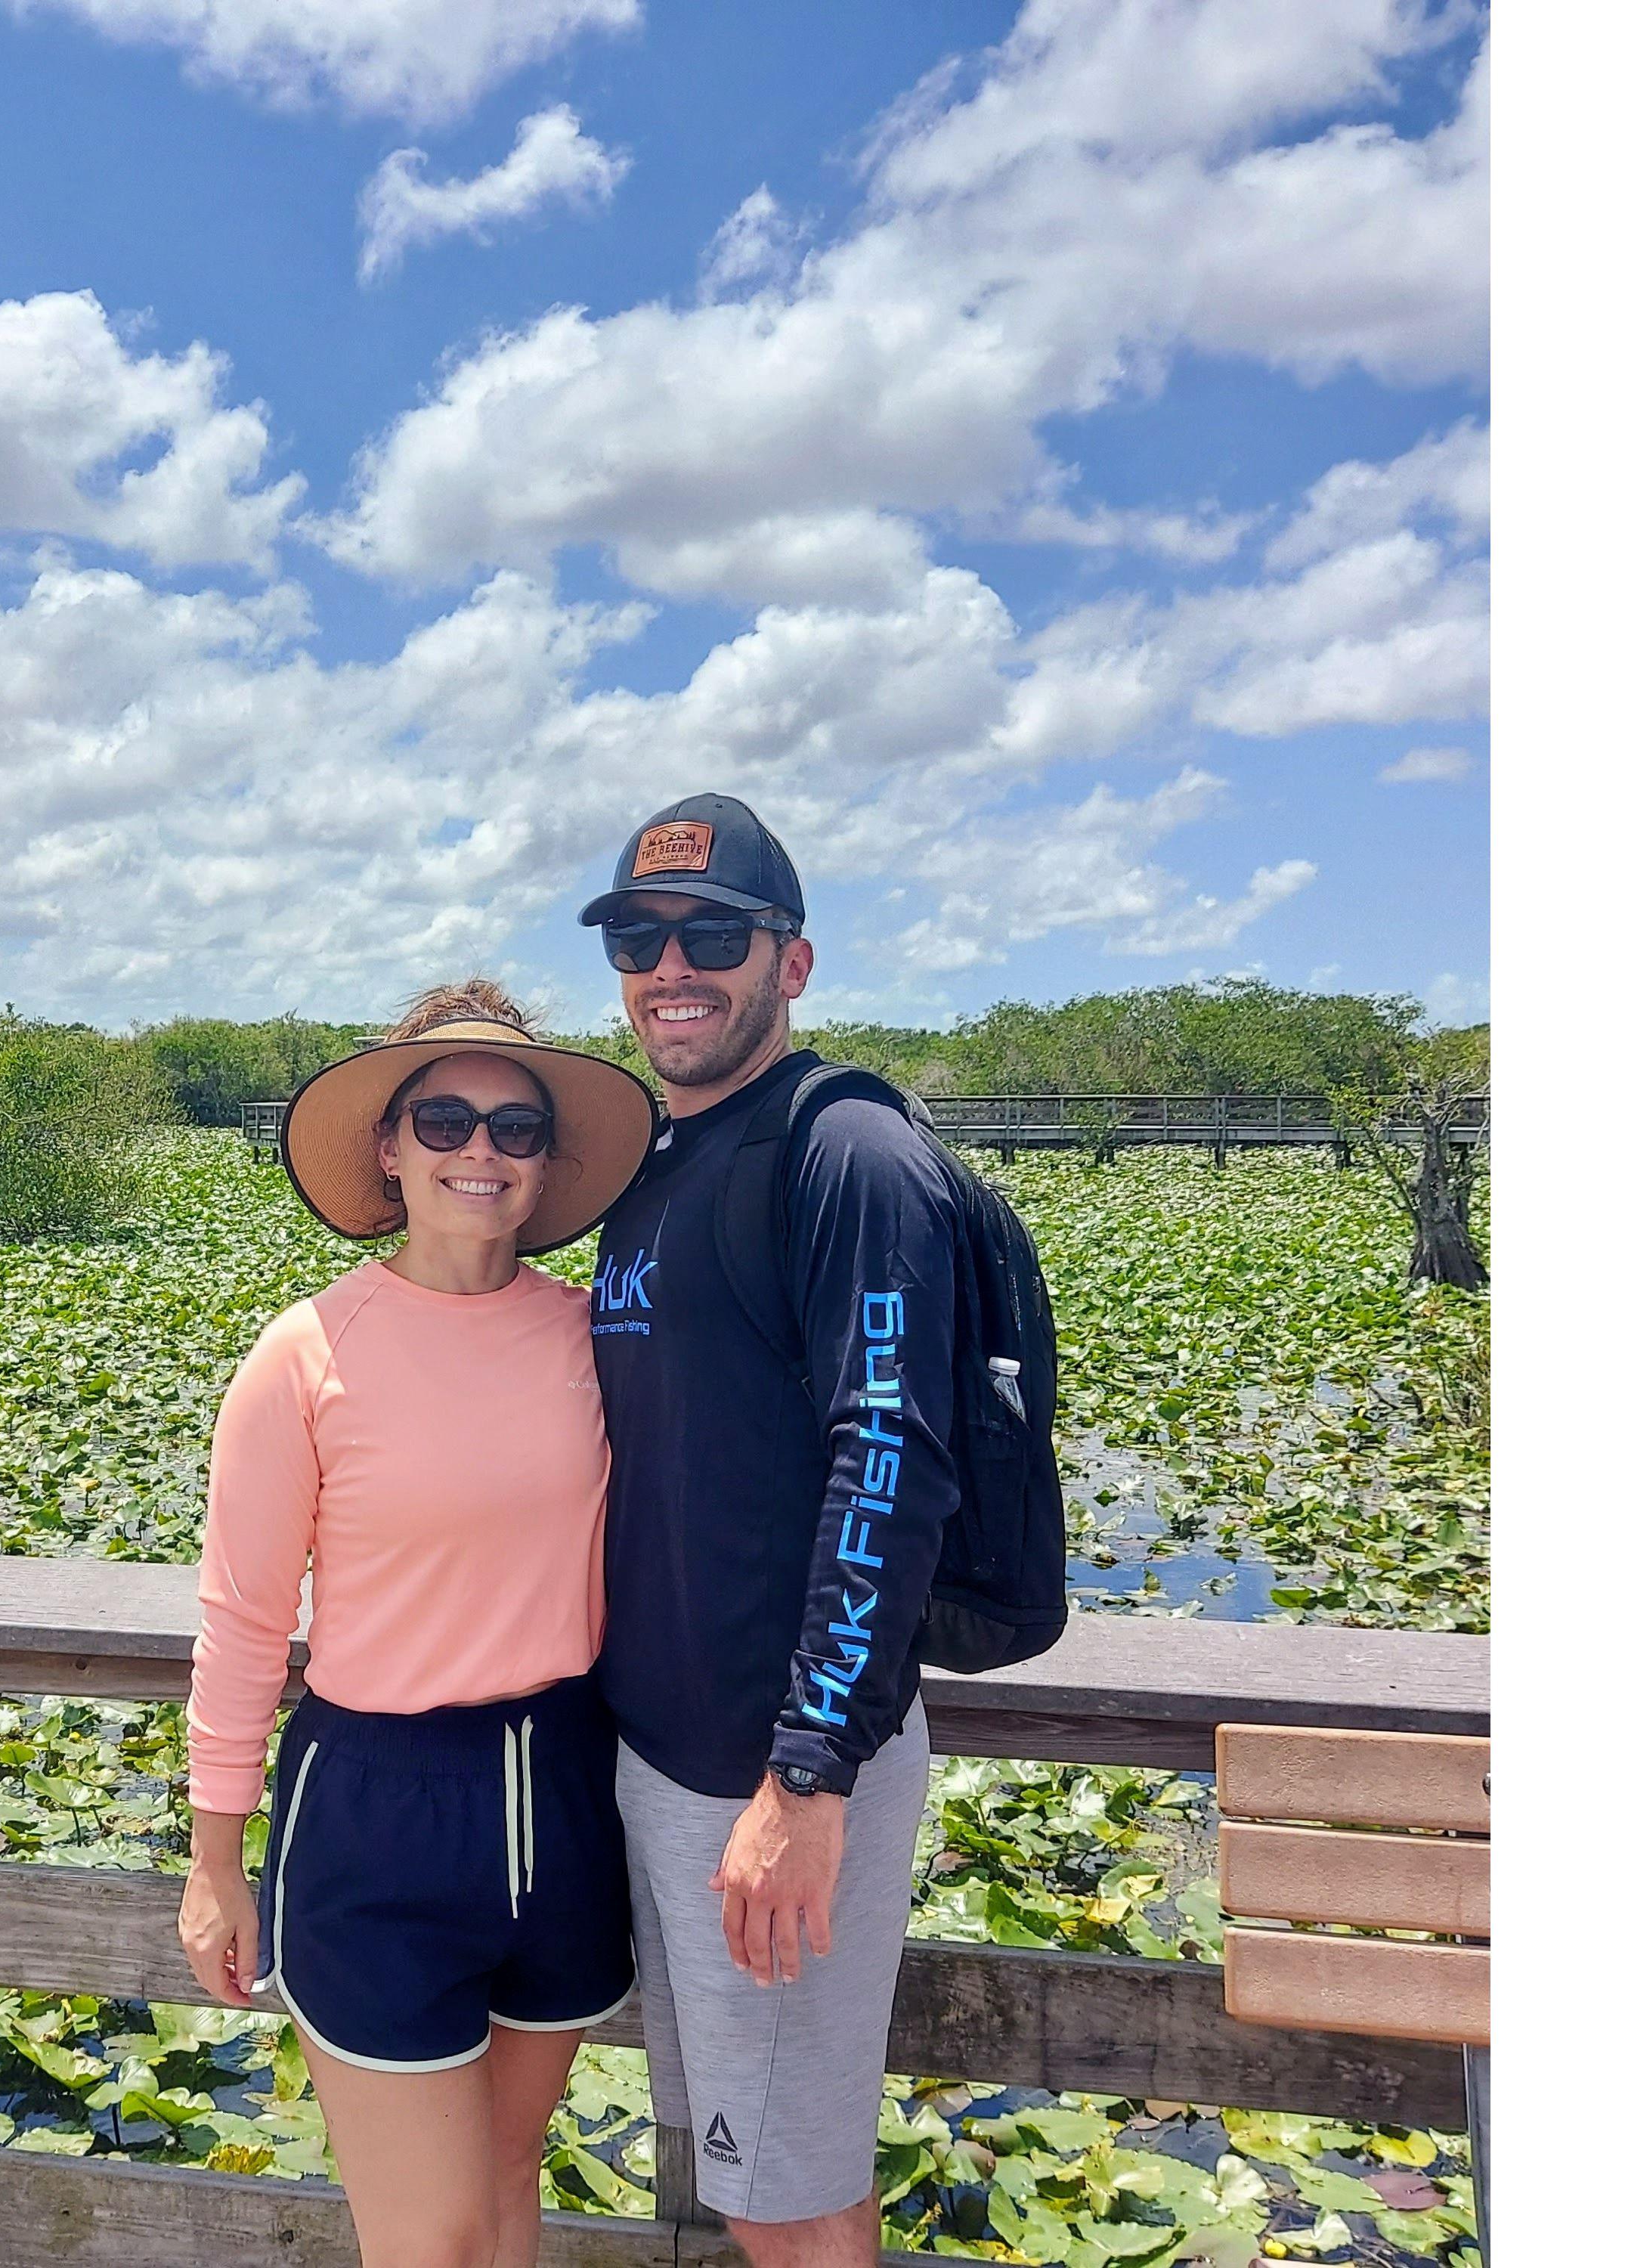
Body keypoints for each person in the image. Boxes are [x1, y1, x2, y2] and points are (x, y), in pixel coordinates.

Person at [178, 980, 658, 2268]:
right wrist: (215, 1858)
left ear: (549, 1161)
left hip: (563, 1789)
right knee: (428, 2240)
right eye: (442, 1122)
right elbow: (241, 1620)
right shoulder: (308, 1353)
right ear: (389, 1150)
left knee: (508, 2184)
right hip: (378, 1808)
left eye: (513, 1129)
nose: (479, 1155)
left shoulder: (601, 1336)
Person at [578, 794, 958, 2266]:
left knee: (789, 2205)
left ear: (790, 964)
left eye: (713, 936)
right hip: (668, 1772)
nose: (673, 968)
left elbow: (894, 1463)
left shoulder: (841, 1150)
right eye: (641, 938)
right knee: (765, 2179)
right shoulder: (650, 1173)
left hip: (778, 1780)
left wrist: (805, 1778)